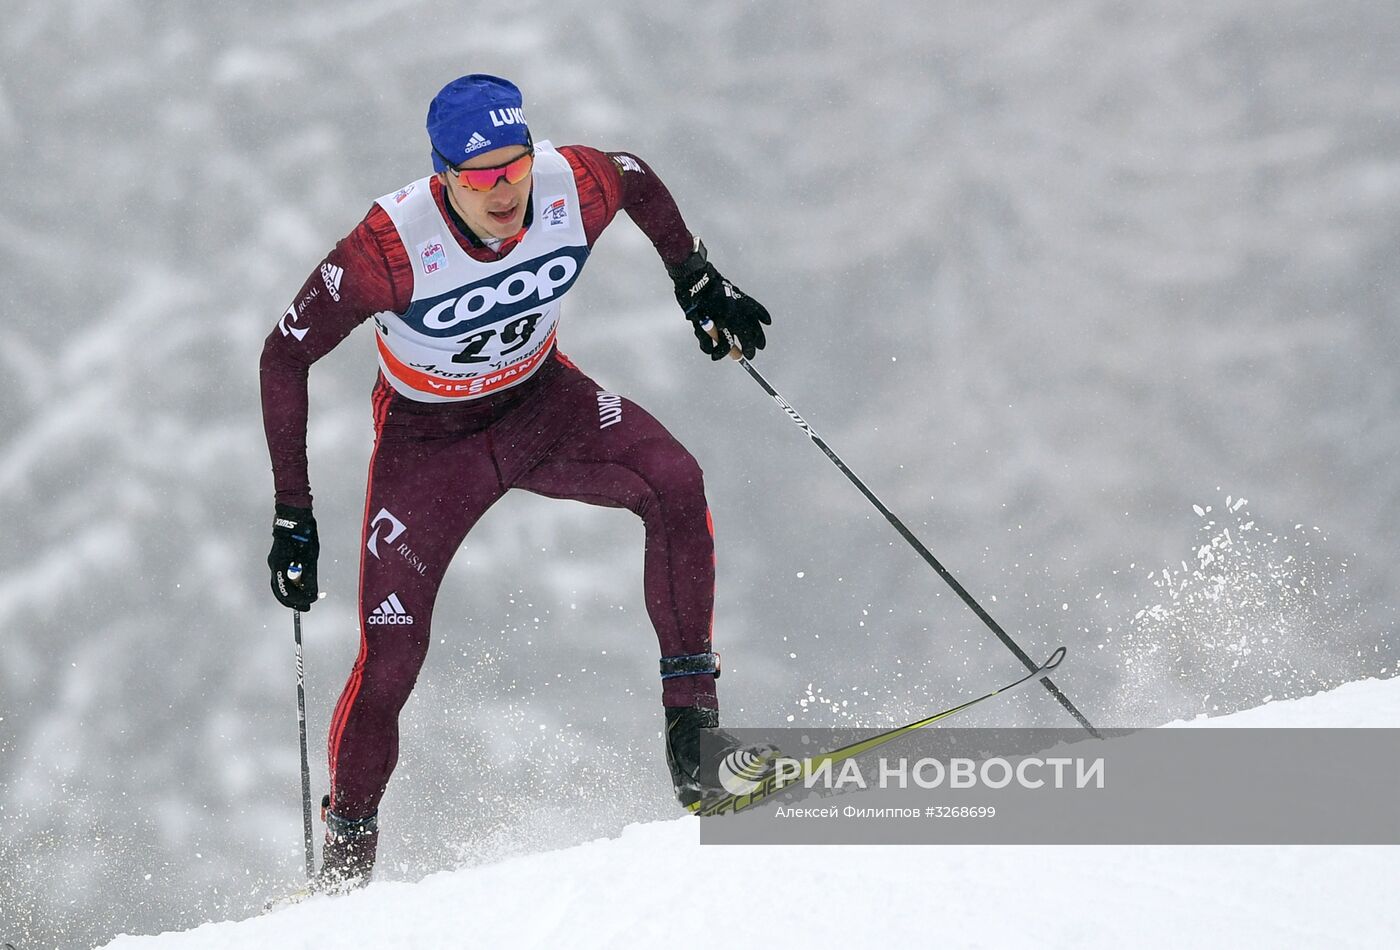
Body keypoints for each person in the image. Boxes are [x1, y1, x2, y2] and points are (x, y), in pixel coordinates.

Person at [260, 74, 773, 890]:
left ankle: (695, 738)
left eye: (515, 165)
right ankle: (345, 873)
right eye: (480, 175)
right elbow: (284, 354)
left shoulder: (573, 185)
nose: (505, 190)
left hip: (544, 407)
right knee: (391, 656)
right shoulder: (387, 248)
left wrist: (694, 275)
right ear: (444, 177)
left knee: (674, 479)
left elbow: (634, 176)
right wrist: (295, 513)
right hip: (428, 447)